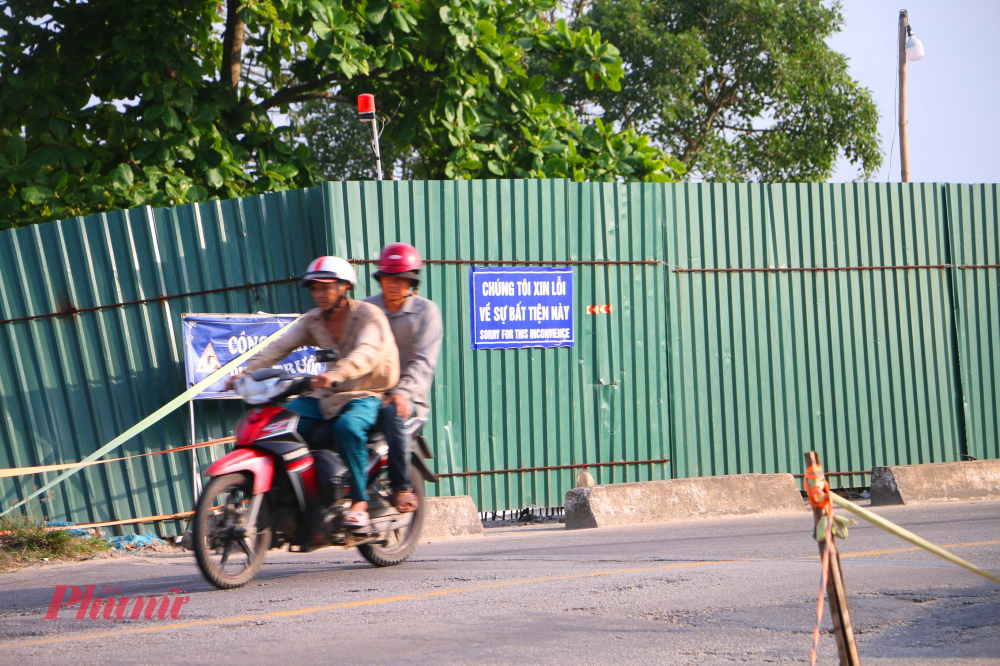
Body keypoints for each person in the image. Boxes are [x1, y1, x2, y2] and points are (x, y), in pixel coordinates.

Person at [237, 255, 399, 539]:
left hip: (366, 392)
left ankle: (359, 503)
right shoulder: (313, 320)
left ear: (345, 287)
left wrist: (337, 373)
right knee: (279, 424)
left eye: (326, 287)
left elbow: (367, 352)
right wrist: (245, 373)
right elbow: (278, 347)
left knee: (348, 428)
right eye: (315, 288)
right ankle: (295, 499)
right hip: (327, 394)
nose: (319, 294)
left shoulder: (369, 316)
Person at [365, 243, 443, 513]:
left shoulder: (426, 312)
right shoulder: (366, 308)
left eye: (401, 279)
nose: (394, 284)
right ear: (381, 279)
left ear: (412, 282)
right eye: (389, 278)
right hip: (367, 394)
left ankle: (401, 489)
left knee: (391, 412)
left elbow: (424, 361)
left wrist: (401, 392)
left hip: (408, 400)